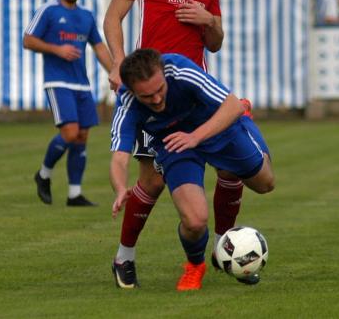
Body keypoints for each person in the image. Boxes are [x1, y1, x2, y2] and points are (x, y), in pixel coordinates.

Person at [103, 0, 250, 289]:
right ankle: (124, 256)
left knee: (231, 167)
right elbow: (113, 17)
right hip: (154, 97)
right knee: (152, 181)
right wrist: (118, 62)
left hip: (197, 95)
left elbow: (215, 42)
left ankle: (222, 246)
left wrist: (208, 20)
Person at [110, 49, 275, 291]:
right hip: (175, 144)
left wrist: (195, 136)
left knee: (265, 183)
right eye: (147, 96)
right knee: (195, 221)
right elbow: (119, 157)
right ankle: (195, 265)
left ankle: (245, 127)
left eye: (160, 90)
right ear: (132, 91)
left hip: (215, 127)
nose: (157, 99)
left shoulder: (179, 69)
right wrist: (119, 188)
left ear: (164, 73)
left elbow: (232, 105)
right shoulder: (126, 102)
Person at [24, 0, 113, 206]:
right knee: (70, 132)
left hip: (82, 84)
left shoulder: (86, 16)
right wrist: (57, 49)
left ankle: (74, 194)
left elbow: (99, 47)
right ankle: (43, 174)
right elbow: (28, 40)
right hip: (57, 81)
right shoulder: (48, 11)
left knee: (82, 136)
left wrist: (115, 73)